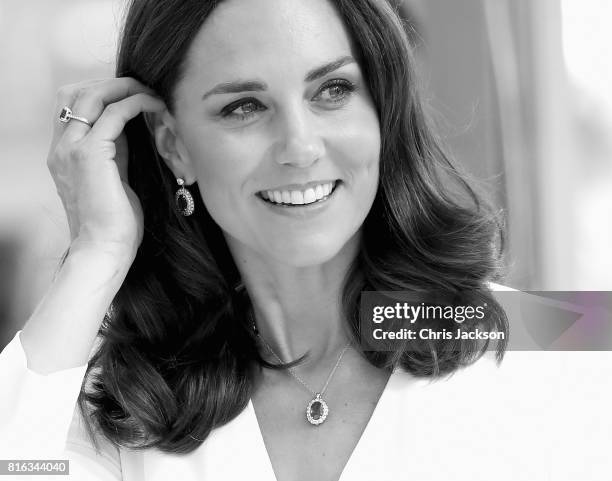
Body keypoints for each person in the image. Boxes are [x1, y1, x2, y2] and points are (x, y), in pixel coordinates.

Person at [2, 0, 591, 479]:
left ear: (380, 109)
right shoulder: (127, 409)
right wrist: (95, 254)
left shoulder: (570, 354)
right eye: (244, 107)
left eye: (332, 90)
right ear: (173, 144)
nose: (301, 147)